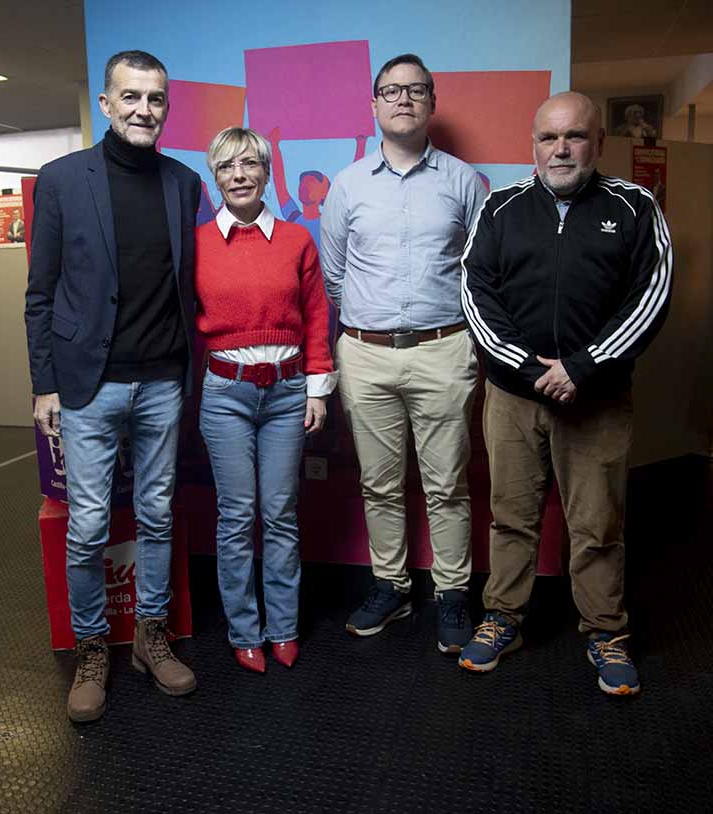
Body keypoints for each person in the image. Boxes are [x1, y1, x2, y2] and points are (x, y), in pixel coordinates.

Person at [460, 91, 672, 695]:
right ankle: (503, 618)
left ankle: (606, 631)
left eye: (574, 136)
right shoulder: (499, 208)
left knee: (597, 522)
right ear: (533, 146)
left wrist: (582, 367)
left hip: (597, 399)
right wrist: (531, 369)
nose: (561, 149)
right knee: (511, 517)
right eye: (549, 138)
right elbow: (477, 293)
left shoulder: (635, 207)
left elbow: (652, 294)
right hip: (513, 396)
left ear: (598, 143)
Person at [24, 50, 203, 723]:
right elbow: (39, 294)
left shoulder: (183, 183)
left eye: (155, 99)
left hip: (162, 381)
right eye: (130, 97)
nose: (143, 110)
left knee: (157, 516)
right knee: (88, 527)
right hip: (86, 387)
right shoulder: (62, 181)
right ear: (105, 103)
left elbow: (188, 286)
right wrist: (44, 384)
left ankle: (149, 637)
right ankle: (92, 648)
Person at [321, 53, 485, 654]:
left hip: (445, 350)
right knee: (379, 484)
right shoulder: (348, 184)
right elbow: (335, 275)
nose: (403, 100)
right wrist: (371, 327)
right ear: (374, 104)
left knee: (447, 485)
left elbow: (477, 271)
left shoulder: (464, 182)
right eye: (391, 91)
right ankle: (391, 585)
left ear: (432, 102)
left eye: (416, 90)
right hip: (364, 354)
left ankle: (452, 594)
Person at [195, 126, 336, 673]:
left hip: (286, 391)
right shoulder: (199, 243)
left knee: (279, 513)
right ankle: (243, 630)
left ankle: (283, 627)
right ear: (215, 176)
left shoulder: (297, 240)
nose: (239, 175)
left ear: (265, 171)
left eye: (250, 164)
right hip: (225, 393)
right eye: (228, 166)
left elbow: (318, 315)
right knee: (236, 516)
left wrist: (318, 385)